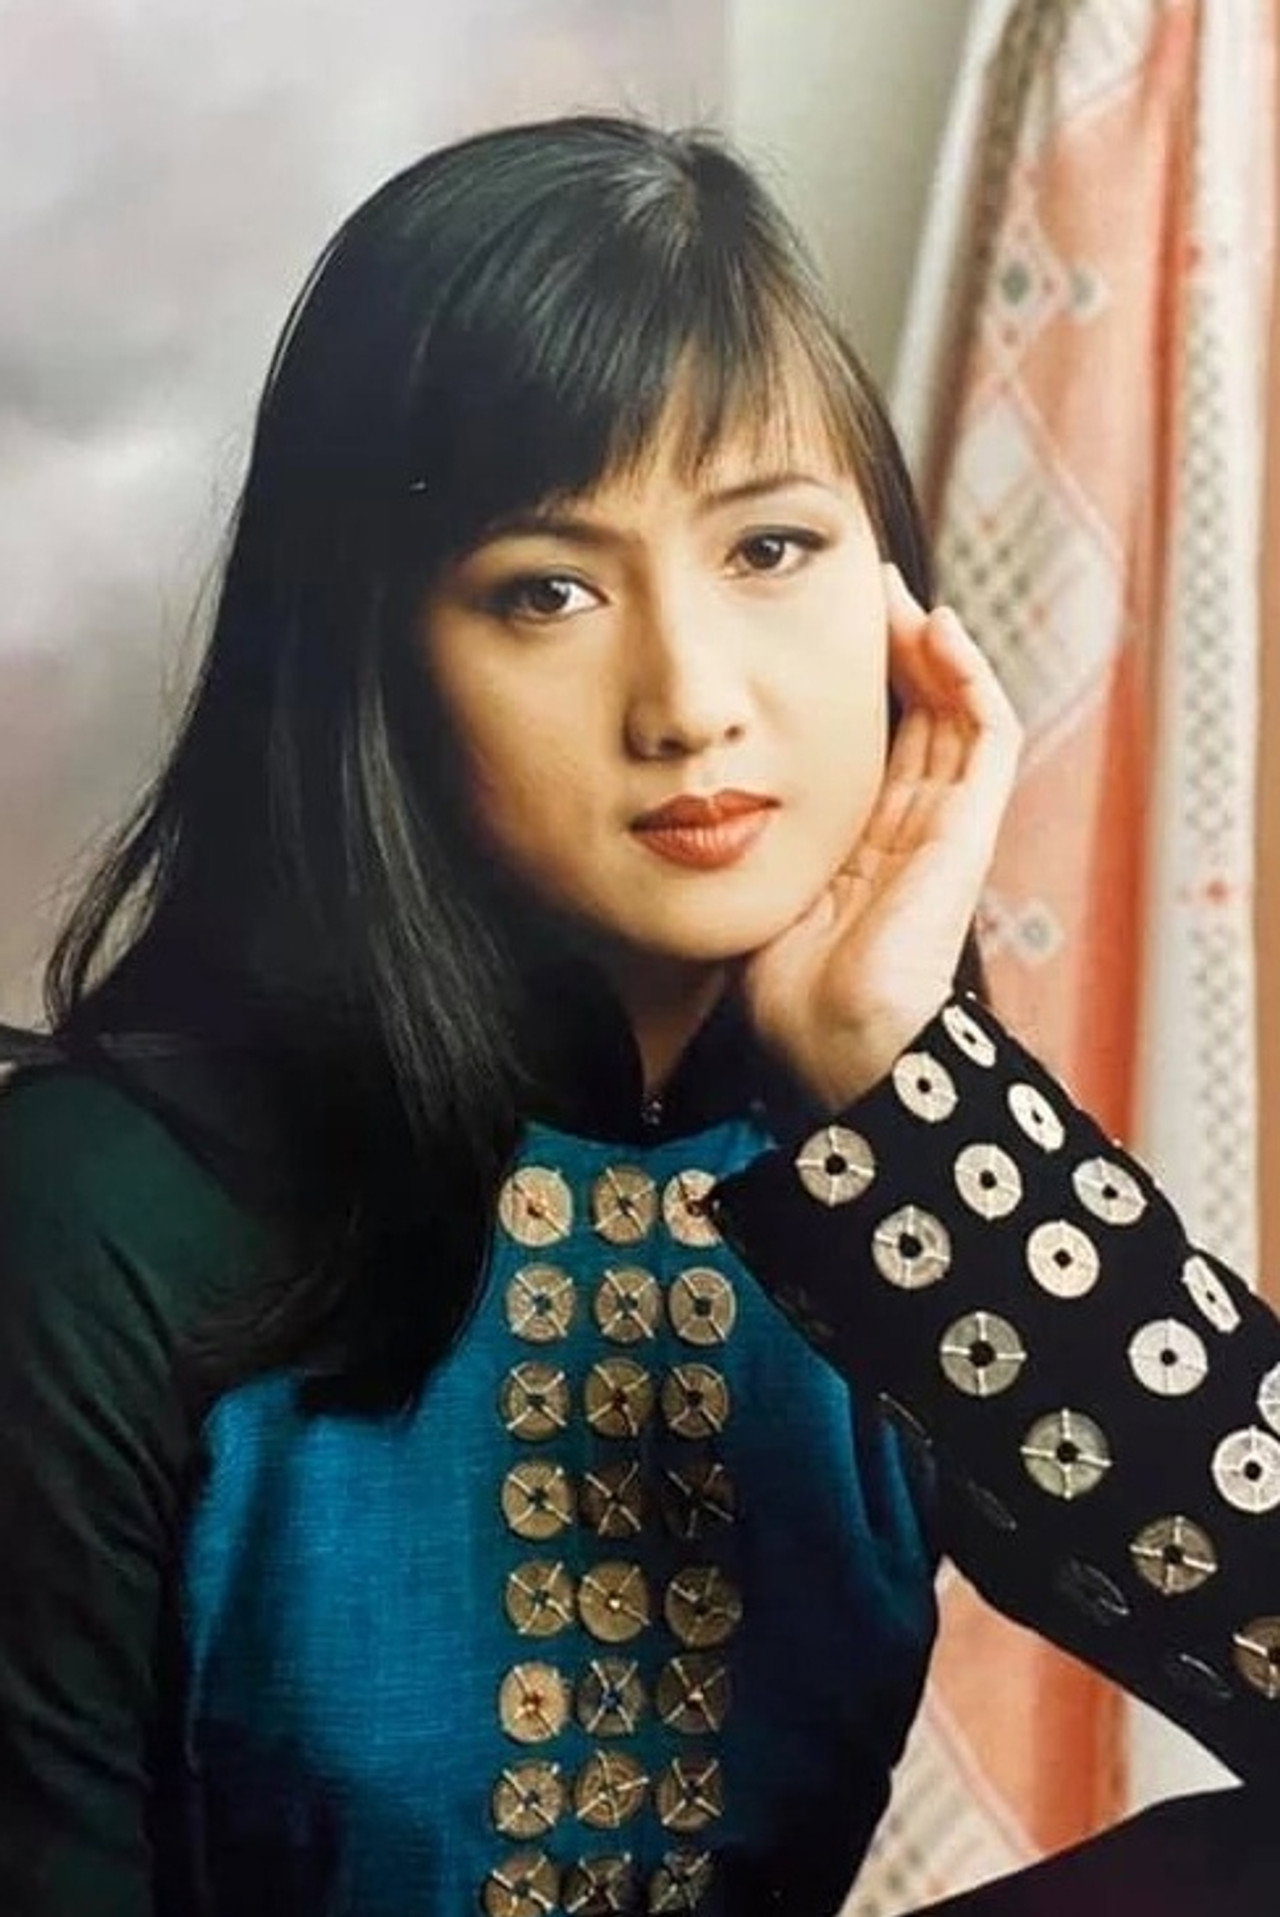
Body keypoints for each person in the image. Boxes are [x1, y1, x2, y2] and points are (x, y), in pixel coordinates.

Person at [0, 112, 1276, 1917]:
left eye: (770, 550)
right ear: (375, 662)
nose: (688, 699)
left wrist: (906, 1094)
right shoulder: (100, 1212)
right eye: (548, 590)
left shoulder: (891, 1190)